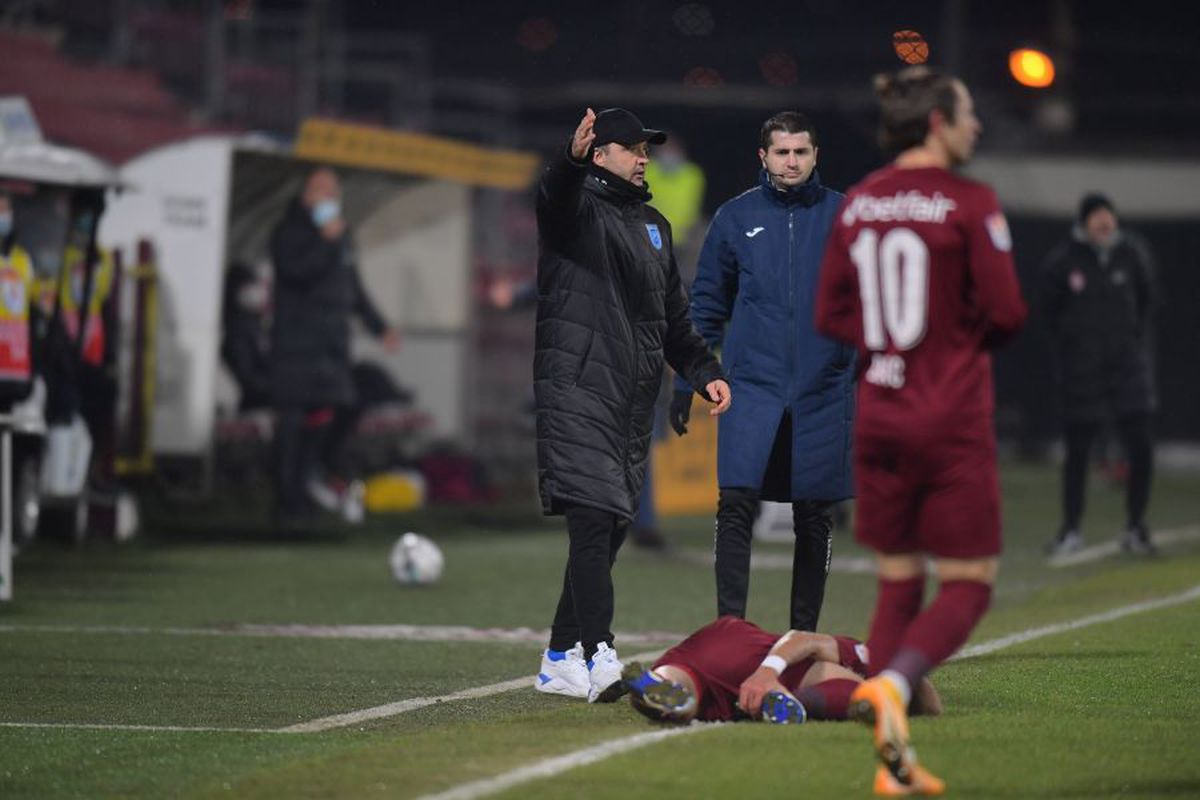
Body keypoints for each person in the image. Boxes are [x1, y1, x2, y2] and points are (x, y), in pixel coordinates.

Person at [815, 66, 1027, 795]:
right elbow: (1007, 314)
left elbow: (832, 316)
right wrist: (945, 340)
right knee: (969, 584)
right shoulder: (968, 201)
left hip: (878, 413)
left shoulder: (861, 201)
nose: (975, 128)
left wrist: (893, 347)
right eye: (968, 114)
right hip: (948, 415)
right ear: (938, 119)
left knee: (899, 583)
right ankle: (894, 684)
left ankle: (892, 766)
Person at [533, 108, 730, 703]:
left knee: (612, 525)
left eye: (646, 148)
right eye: (632, 148)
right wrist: (569, 161)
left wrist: (704, 371)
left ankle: (558, 657)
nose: (643, 156)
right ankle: (600, 656)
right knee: (593, 519)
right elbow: (553, 196)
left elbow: (673, 319)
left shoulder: (654, 226)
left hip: (630, 397)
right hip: (579, 389)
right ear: (600, 155)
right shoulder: (575, 213)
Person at [671, 111, 855, 632]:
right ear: (764, 157)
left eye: (801, 151)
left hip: (824, 392)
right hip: (752, 387)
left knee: (814, 514)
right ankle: (731, 631)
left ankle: (802, 636)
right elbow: (705, 307)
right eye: (782, 152)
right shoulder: (734, 218)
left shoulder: (846, 218)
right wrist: (689, 379)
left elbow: (868, 306)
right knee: (734, 503)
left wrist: (854, 372)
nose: (792, 161)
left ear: (816, 155)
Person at [268, 167, 400, 525]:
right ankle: (287, 501)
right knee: (292, 425)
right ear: (305, 196)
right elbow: (297, 272)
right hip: (296, 348)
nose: (328, 199)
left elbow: (353, 287)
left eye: (333, 193)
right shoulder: (289, 233)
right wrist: (325, 241)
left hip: (331, 349)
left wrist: (380, 327)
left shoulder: (342, 236)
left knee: (338, 411)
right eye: (321, 192)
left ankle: (311, 480)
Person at [1040, 193, 1157, 556]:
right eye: (1097, 218)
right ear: (1083, 223)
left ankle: (1135, 526)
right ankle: (1071, 529)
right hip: (1083, 372)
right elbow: (1049, 312)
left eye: (1108, 217)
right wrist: (1074, 350)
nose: (1104, 223)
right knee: (1078, 454)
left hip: (1126, 368)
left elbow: (1147, 300)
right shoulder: (1063, 261)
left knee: (1141, 447)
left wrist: (1129, 342)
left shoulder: (1131, 253)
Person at [622, 616, 942, 727]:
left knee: (683, 700)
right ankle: (791, 702)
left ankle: (659, 686)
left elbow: (928, 704)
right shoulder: (864, 654)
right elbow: (801, 638)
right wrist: (766, 673)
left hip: (716, 654)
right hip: (751, 654)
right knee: (852, 689)